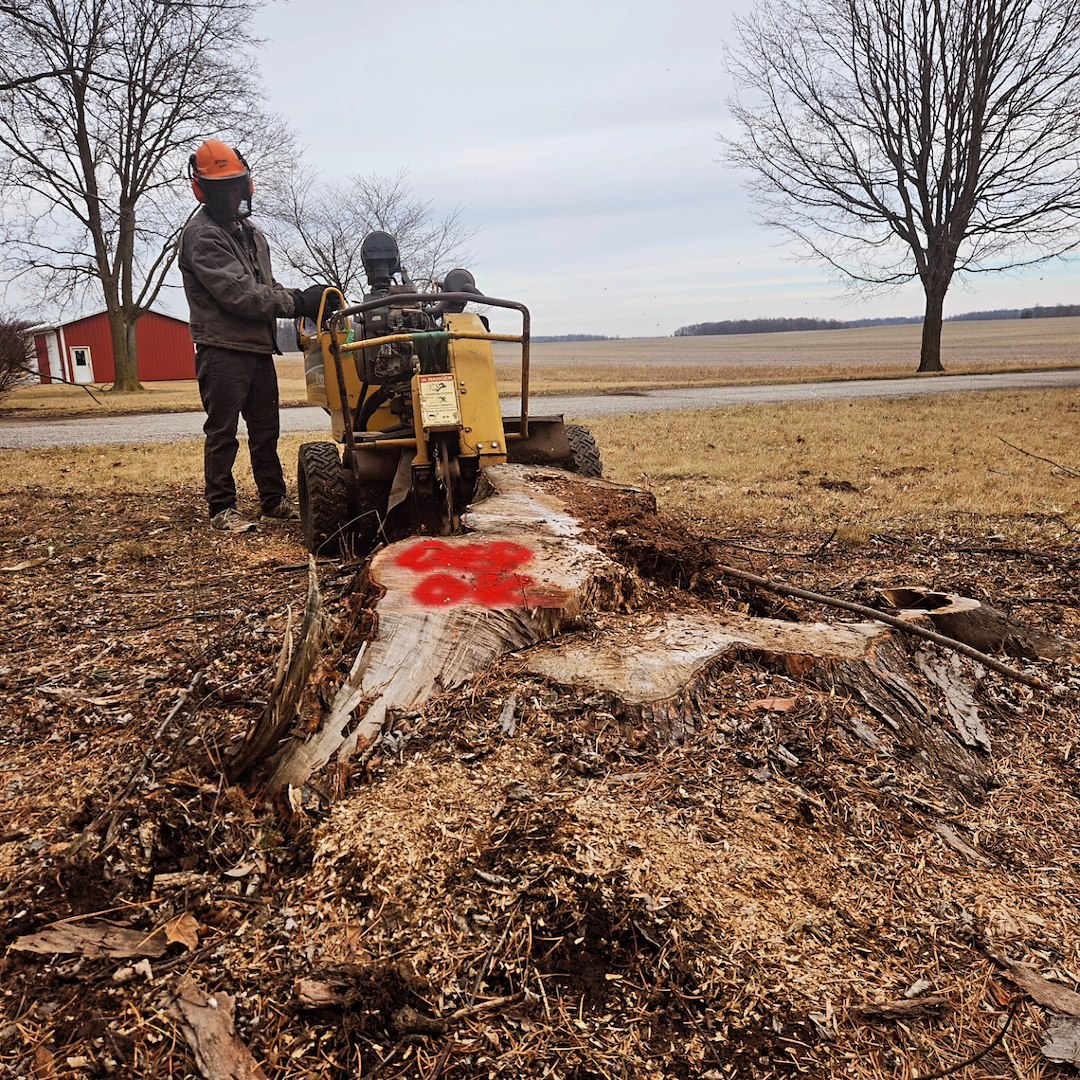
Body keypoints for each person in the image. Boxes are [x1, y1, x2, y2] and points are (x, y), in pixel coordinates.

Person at [179, 139, 332, 533]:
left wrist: (305, 301)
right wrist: (297, 302)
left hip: (258, 348)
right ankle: (222, 508)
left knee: (266, 430)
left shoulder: (252, 234)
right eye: (221, 189)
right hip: (222, 349)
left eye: (235, 186)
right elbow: (241, 295)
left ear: (246, 185)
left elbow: (266, 286)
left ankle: (273, 500)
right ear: (203, 191)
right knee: (223, 430)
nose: (231, 195)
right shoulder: (202, 236)